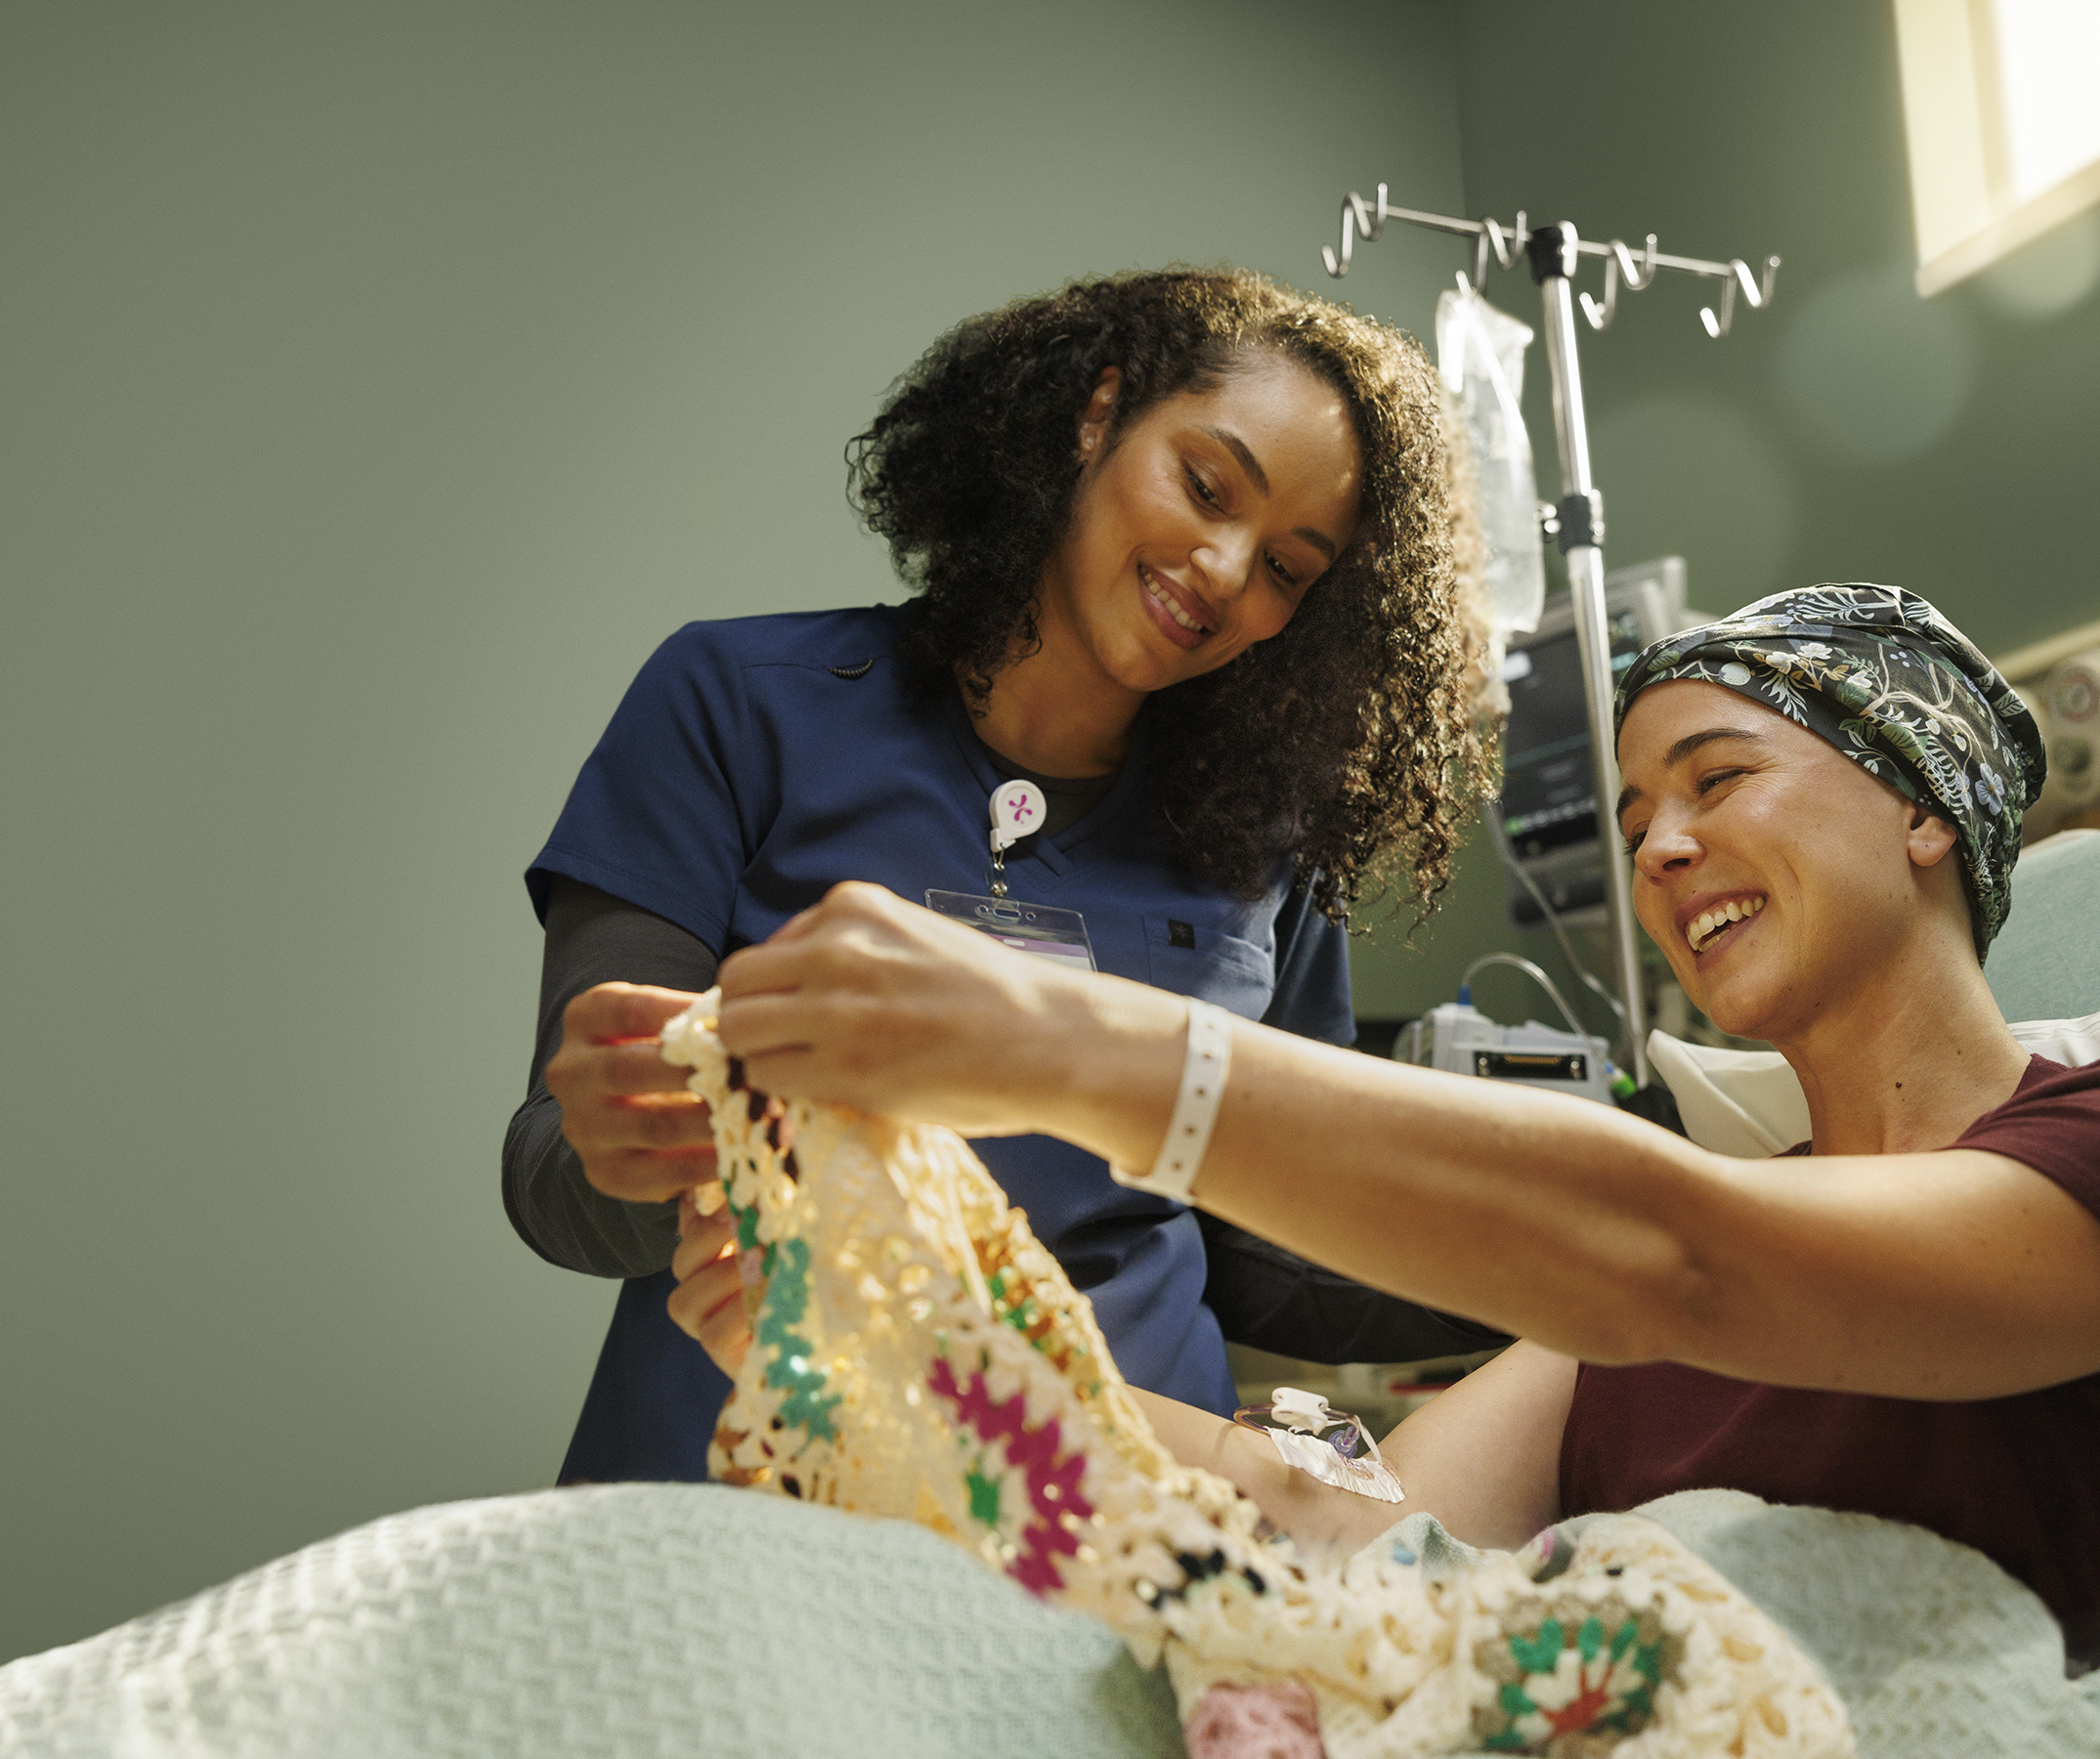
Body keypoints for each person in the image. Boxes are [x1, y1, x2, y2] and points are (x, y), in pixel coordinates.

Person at [678, 583, 2100, 1672]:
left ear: (1925, 802)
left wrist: (1078, 1046)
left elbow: (1683, 1254)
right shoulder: (1631, 1305)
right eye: (1637, 812)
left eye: (1718, 779)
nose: (1662, 848)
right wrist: (928, 1349)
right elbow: (1328, 1493)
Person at [503, 268, 1507, 1486]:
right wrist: (649, 1155)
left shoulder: (1262, 853)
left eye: (1290, 569)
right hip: (753, 1507)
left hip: (1114, 1529)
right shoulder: (737, 709)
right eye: (1205, 485)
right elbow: (557, 1169)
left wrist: (1575, 1294)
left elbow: (1267, 1249)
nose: (1230, 566)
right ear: (1097, 413)